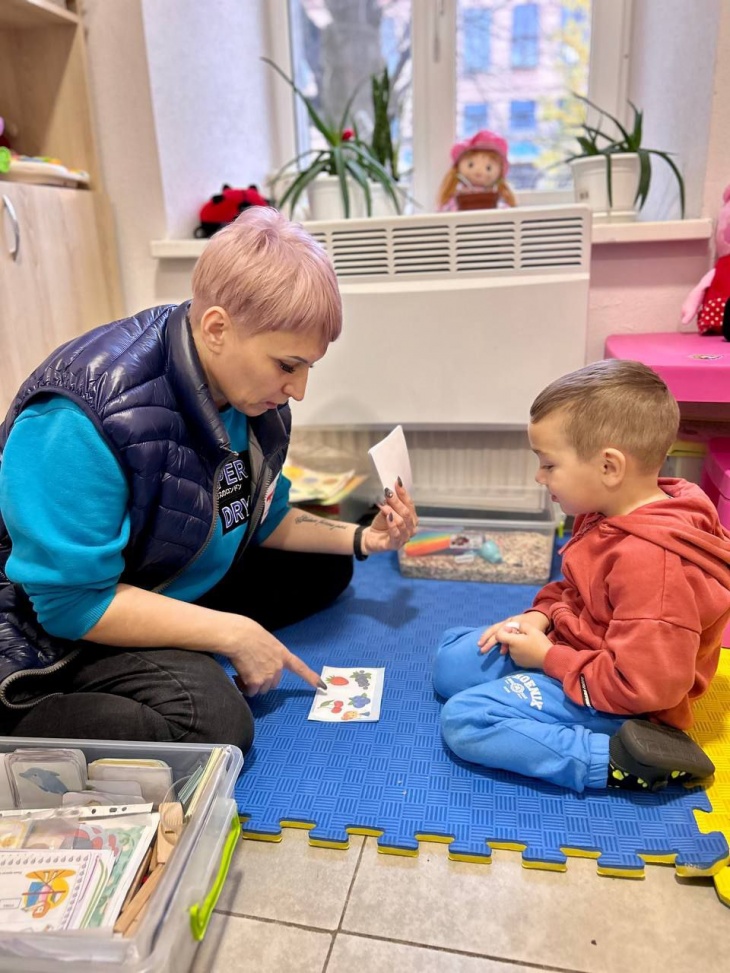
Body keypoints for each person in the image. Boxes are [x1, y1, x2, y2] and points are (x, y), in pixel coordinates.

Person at [0, 207, 417, 752]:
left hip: (159, 576)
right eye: (288, 365)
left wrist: (367, 538)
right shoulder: (77, 418)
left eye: (308, 367)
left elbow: (262, 517)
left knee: (329, 567)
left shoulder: (249, 394)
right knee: (213, 723)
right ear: (217, 328)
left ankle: (188, 640)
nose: (299, 390)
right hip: (55, 625)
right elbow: (69, 604)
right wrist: (231, 632)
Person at [433, 360, 730, 793]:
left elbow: (644, 687)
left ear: (609, 467)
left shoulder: (654, 566)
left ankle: (620, 759)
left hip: (623, 700)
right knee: (450, 661)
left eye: (548, 464)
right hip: (578, 652)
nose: (539, 476)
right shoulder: (606, 509)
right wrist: (540, 616)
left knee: (466, 720)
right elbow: (575, 589)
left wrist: (547, 660)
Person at [436, 130, 516, 212]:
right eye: (471, 165)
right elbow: (444, 210)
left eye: (488, 168)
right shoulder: (458, 192)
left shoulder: (497, 194)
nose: (479, 171)